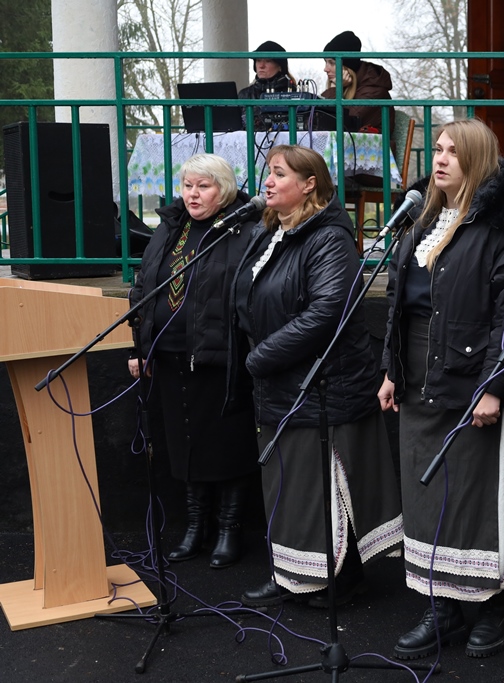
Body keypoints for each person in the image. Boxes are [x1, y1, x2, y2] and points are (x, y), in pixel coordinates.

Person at [378, 118, 504, 660]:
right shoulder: (423, 217)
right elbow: (400, 304)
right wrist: (391, 369)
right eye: (438, 150)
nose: (440, 159)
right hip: (420, 376)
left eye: (453, 151)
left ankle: (493, 608)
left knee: (477, 500)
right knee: (427, 497)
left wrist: (492, 386)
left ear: (477, 160)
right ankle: (442, 609)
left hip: (474, 379)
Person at [230, 145, 403, 609]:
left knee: (322, 486)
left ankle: (340, 578)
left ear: (309, 185)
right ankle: (292, 574)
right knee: (288, 484)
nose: (268, 181)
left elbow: (327, 311)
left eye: (279, 174)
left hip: (324, 382)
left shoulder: (329, 238)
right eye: (268, 172)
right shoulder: (270, 232)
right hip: (278, 381)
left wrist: (261, 356)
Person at [128, 153, 259, 570]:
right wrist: (141, 347)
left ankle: (229, 529)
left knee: (226, 446)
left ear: (225, 189)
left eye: (203, 186)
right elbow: (144, 288)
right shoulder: (171, 228)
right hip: (168, 357)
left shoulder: (244, 230)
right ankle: (195, 526)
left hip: (220, 359)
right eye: (188, 186)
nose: (193, 194)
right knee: (184, 444)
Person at [321, 31, 393, 131]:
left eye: (332, 63)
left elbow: (341, 123)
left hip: (369, 142)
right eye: (326, 62)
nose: (325, 69)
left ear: (347, 66)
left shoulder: (374, 91)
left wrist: (335, 89)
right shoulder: (346, 85)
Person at [238, 40, 296, 130]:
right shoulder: (244, 94)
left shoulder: (295, 93)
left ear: (280, 66)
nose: (261, 66)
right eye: (258, 60)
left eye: (268, 61)